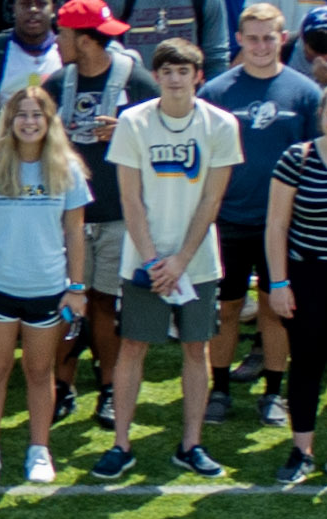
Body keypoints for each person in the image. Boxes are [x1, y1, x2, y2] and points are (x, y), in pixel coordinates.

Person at [97, 37, 230, 485]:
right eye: (167, 71)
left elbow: (213, 199)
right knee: (133, 346)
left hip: (198, 262)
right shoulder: (134, 122)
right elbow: (129, 198)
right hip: (143, 260)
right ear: (156, 76)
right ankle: (121, 445)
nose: (175, 79)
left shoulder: (221, 124)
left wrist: (181, 262)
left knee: (197, 348)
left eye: (184, 71)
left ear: (199, 76)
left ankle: (191, 444)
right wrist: (156, 261)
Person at [0, 78, 79, 487]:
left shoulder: (67, 167)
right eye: (20, 115)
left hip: (46, 289)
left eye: (36, 114)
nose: (28, 122)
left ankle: (39, 450)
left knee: (41, 373)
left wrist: (76, 287)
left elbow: (75, 233)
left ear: (49, 121)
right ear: (9, 121)